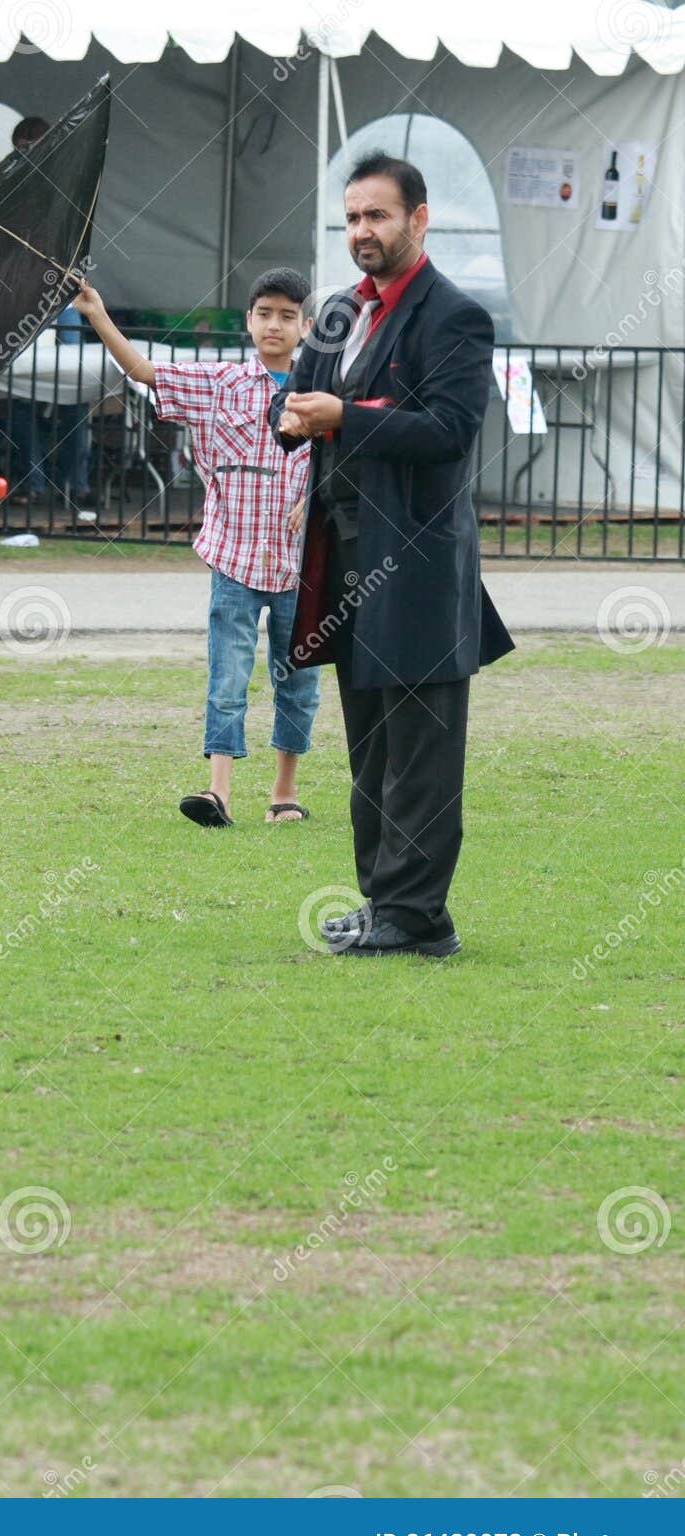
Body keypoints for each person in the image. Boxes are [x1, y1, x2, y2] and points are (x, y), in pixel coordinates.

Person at [270, 151, 513, 958]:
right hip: (342, 558)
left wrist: (346, 414)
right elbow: (300, 405)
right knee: (371, 746)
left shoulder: (454, 317)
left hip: (416, 565)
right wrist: (300, 418)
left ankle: (421, 919)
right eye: (350, 218)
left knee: (421, 752)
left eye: (376, 216)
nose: (361, 232)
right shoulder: (338, 312)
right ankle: (385, 905)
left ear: (419, 218)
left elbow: (449, 432)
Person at [74, 268, 320, 826]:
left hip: (303, 567)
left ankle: (284, 794)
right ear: (249, 320)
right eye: (265, 314)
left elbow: (354, 455)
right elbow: (143, 371)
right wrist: (96, 314)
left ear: (306, 326)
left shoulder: (321, 394)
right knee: (228, 676)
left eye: (287, 316)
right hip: (232, 559)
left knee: (299, 682)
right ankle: (218, 794)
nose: (274, 325)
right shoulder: (220, 383)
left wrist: (321, 497)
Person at [0, 115, 95, 525]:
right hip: (22, 302)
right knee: (21, 392)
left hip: (63, 301)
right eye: (22, 149)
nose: (28, 156)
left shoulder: (69, 186)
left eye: (34, 148)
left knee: (75, 391)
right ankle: (34, 479)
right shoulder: (7, 191)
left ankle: (76, 480)